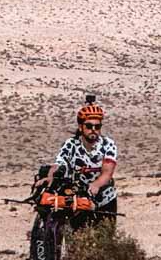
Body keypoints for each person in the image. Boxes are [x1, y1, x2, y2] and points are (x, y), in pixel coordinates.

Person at [34, 94, 119, 232]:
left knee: (105, 237)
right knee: (77, 235)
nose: (93, 130)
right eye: (89, 125)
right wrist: (50, 177)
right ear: (81, 127)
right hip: (78, 195)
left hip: (104, 197)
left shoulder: (108, 145)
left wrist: (96, 185)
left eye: (97, 126)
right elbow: (59, 164)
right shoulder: (71, 144)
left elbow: (107, 172)